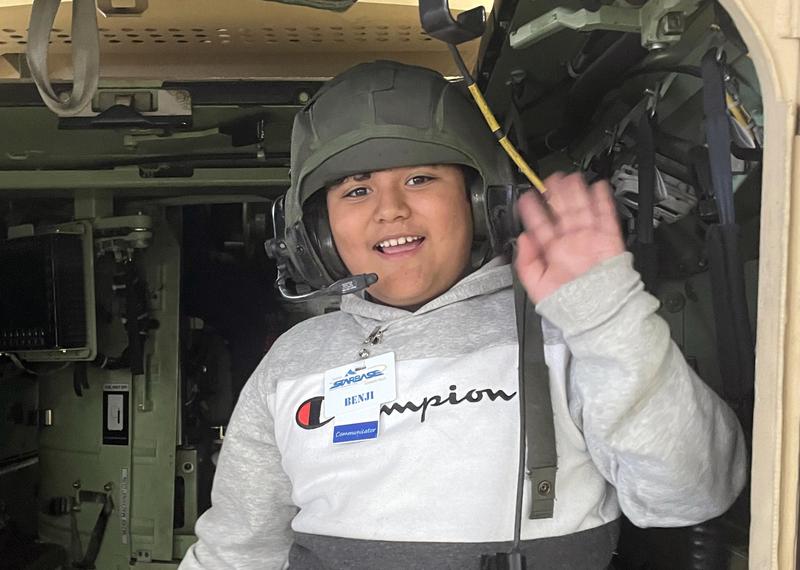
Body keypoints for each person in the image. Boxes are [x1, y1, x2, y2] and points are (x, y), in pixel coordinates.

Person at [179, 60, 747, 570]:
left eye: (420, 178)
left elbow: (693, 494)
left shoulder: (575, 327)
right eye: (355, 190)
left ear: (479, 202)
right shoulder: (294, 361)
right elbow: (236, 553)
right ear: (319, 230)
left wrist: (605, 312)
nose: (390, 209)